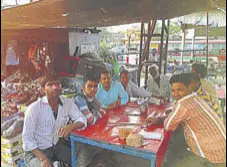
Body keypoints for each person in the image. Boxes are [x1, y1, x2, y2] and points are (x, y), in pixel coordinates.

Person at [147, 73, 226, 167]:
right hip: (222, 150)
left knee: (169, 163)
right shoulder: (196, 97)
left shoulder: (184, 104)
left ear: (189, 88)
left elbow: (168, 126)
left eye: (180, 90)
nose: (176, 94)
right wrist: (160, 119)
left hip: (212, 158)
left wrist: (162, 119)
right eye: (173, 90)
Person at [22, 74, 87, 167]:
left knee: (80, 159)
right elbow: (27, 139)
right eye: (50, 84)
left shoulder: (67, 103)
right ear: (43, 89)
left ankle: (57, 164)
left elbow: (82, 119)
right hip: (36, 152)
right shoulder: (34, 109)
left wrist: (71, 127)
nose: (55, 87)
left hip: (56, 147)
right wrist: (43, 158)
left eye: (57, 84)